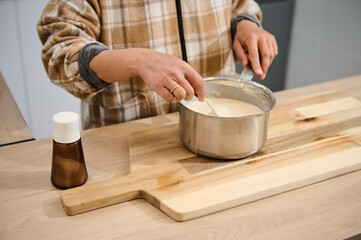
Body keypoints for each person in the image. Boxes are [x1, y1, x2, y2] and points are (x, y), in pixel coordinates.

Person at [37, 0, 277, 129]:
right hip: (129, 143)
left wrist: (246, 24)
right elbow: (59, 55)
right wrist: (136, 60)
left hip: (223, 134)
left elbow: (239, 6)